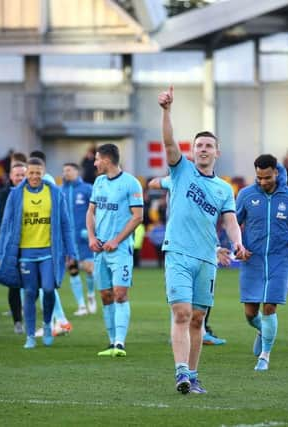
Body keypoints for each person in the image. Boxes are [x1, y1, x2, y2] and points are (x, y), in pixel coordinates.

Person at [158, 86, 248, 394]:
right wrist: (167, 111)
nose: (204, 149)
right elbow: (169, 141)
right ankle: (181, 373)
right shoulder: (181, 170)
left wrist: (237, 242)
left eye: (209, 145)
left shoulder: (224, 189)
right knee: (182, 313)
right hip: (178, 254)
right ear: (193, 150)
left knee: (198, 319)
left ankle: (193, 376)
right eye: (199, 145)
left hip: (207, 258)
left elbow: (230, 221)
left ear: (217, 152)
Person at [236, 154, 288, 371]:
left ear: (277, 173)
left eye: (267, 177)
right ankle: (262, 329)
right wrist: (238, 247)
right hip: (253, 260)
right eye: (259, 178)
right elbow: (233, 223)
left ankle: (265, 356)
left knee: (270, 306)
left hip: (280, 260)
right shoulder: (246, 195)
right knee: (251, 313)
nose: (263, 182)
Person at [0, 157, 77, 348]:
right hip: (25, 253)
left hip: (49, 251)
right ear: (26, 174)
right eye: (30, 173)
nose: (33, 176)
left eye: (37, 173)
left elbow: (65, 223)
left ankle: (48, 324)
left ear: (43, 172)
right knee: (30, 293)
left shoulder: (54, 193)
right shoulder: (16, 195)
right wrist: (0, 253)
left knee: (49, 289)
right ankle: (30, 335)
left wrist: (70, 249)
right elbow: (6, 225)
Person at [148, 175, 227, 346]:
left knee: (194, 298)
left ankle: (198, 331)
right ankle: (187, 333)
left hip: (197, 244)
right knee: (181, 297)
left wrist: (160, 182)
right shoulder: (179, 179)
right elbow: (154, 182)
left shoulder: (192, 184)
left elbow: (153, 182)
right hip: (181, 243)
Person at [86, 143, 144, 358]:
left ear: (107, 160)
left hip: (120, 250)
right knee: (106, 295)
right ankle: (111, 342)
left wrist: (117, 240)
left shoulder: (131, 183)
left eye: (97, 159)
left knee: (120, 294)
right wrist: (92, 237)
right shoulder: (99, 182)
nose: (95, 163)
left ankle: (120, 343)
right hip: (99, 249)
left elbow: (138, 216)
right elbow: (90, 212)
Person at [30, 150, 73, 337]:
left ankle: (59, 321)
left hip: (45, 242)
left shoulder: (46, 184)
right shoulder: (46, 182)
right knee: (43, 285)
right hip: (40, 241)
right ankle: (59, 321)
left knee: (44, 285)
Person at [61, 162, 97, 316]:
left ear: (77, 172)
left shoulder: (87, 189)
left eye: (68, 170)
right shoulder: (60, 191)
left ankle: (90, 294)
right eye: (64, 171)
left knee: (89, 269)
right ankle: (81, 306)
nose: (66, 173)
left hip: (84, 237)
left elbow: (97, 211)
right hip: (68, 239)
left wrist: (91, 230)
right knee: (73, 270)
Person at [0, 161, 27, 334]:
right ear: (11, 176)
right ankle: (17, 320)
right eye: (17, 175)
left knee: (33, 284)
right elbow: (2, 222)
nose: (20, 178)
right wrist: (0, 250)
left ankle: (26, 312)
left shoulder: (35, 192)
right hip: (12, 246)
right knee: (14, 284)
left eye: (23, 174)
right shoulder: (3, 195)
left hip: (32, 244)